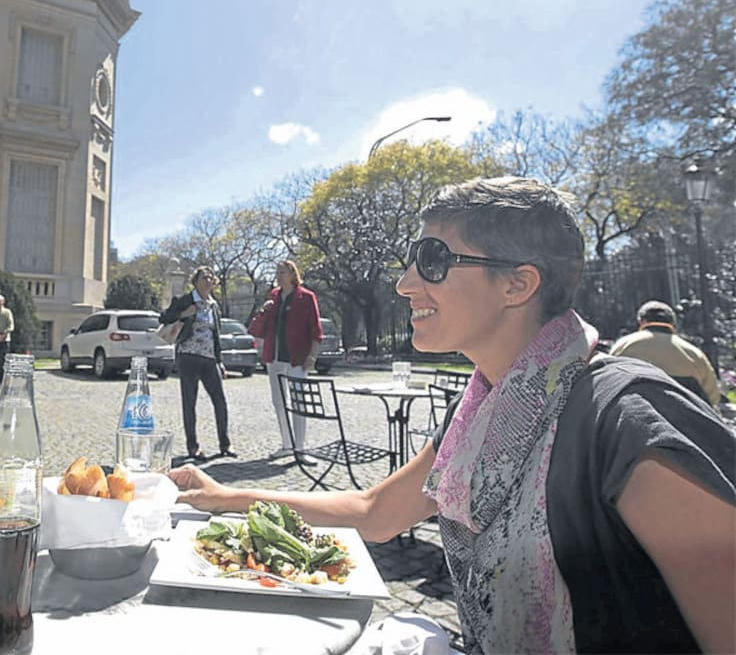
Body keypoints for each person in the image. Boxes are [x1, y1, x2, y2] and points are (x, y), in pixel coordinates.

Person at [171, 176, 735, 654]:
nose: (404, 284)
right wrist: (226, 497)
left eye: (433, 261)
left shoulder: (628, 421)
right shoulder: (483, 412)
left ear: (518, 284)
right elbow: (376, 513)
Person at [248, 260, 322, 462]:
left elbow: (315, 330)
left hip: (297, 358)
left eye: (282, 272)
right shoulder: (273, 297)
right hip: (275, 357)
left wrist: (312, 356)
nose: (279, 276)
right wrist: (263, 310)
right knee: (279, 402)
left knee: (299, 402)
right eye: (277, 272)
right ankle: (287, 444)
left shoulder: (306, 297)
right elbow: (258, 329)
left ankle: (300, 448)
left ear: (292, 274)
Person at [161, 266, 234, 460]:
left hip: (209, 359)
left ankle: (225, 444)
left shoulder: (213, 305)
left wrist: (220, 361)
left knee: (220, 401)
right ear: (196, 281)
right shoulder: (185, 300)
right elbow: (164, 317)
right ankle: (193, 447)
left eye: (211, 277)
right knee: (189, 403)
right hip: (188, 356)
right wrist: (183, 314)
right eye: (204, 277)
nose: (208, 280)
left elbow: (216, 335)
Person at [610, 300, 721, 407]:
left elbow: (608, 383)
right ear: (673, 323)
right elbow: (712, 397)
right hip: (683, 416)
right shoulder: (694, 354)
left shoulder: (622, 346)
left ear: (642, 321)